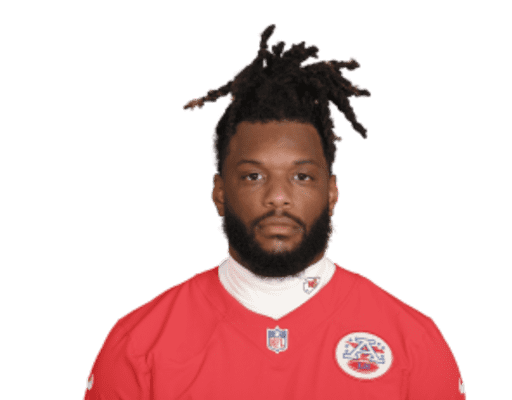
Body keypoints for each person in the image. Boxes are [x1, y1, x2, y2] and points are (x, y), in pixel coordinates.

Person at [83, 23, 466, 399]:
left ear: (332, 192)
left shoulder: (412, 344)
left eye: (301, 176)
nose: (278, 197)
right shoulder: (139, 345)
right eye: (253, 176)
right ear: (219, 192)